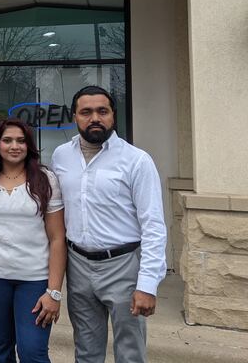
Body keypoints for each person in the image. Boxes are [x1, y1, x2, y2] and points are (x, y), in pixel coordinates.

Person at [51, 86, 166, 363]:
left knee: (130, 352)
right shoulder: (60, 157)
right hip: (77, 265)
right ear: (75, 117)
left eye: (102, 111)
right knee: (86, 350)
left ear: (113, 115)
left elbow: (153, 225)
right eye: (86, 112)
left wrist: (147, 284)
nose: (95, 118)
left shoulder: (136, 160)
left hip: (124, 266)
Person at [0, 118, 67, 363]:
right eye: (7, 140)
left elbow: (57, 238)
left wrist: (54, 292)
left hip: (34, 279)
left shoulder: (45, 179)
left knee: (32, 352)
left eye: (21, 140)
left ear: (29, 145)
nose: (14, 146)